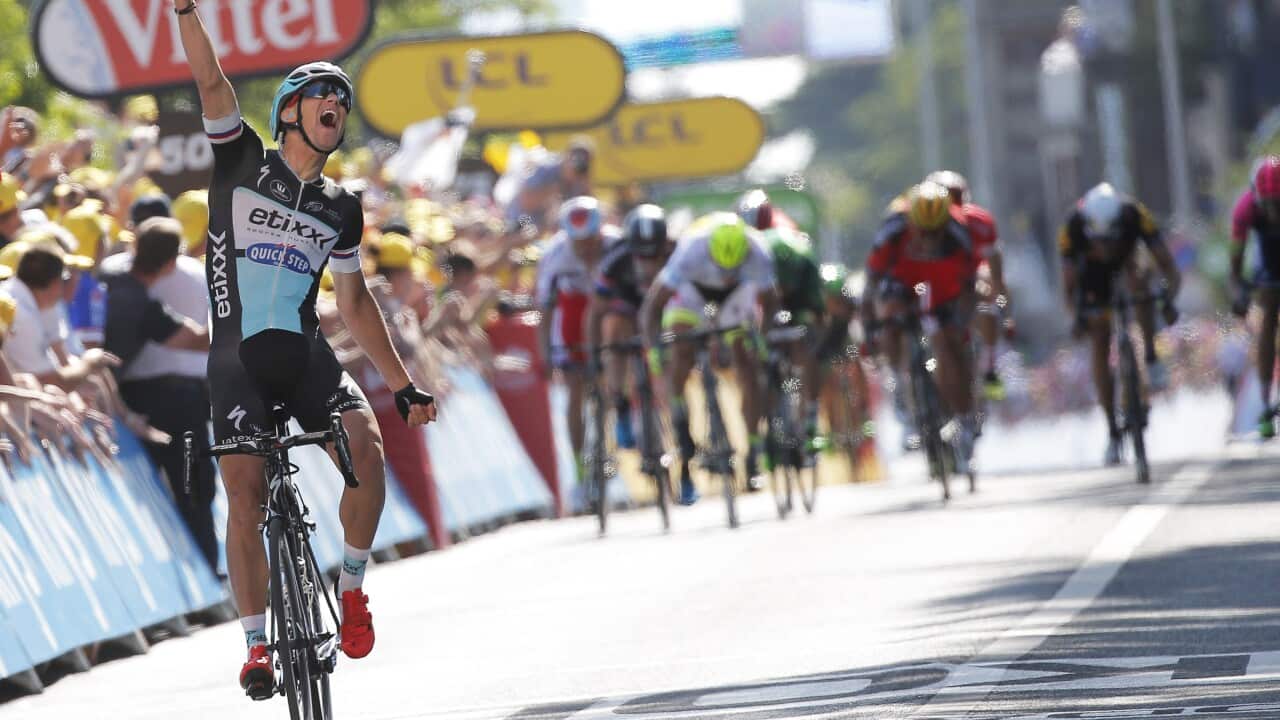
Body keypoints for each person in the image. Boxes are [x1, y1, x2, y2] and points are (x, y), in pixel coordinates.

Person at [172, 0, 437, 700]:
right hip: (237, 361)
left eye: (342, 100)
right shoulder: (239, 163)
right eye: (322, 94)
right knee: (246, 495)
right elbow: (211, 85)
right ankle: (257, 645)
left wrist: (403, 382)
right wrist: (184, 11)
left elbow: (354, 302)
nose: (336, 105)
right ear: (290, 111)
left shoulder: (341, 206)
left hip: (306, 355)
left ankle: (351, 589)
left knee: (367, 449)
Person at [100, 217, 216, 566]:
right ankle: (207, 572)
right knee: (194, 487)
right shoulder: (140, 301)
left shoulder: (107, 279)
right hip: (166, 404)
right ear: (170, 263)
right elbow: (198, 341)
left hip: (130, 399)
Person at [641, 212, 779, 501]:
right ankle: (680, 422)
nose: (726, 273)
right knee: (681, 349)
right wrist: (655, 350)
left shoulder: (757, 251)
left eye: (734, 268)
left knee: (746, 361)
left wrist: (762, 341)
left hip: (735, 297)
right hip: (692, 294)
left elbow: (770, 301)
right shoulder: (691, 250)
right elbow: (652, 308)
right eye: (722, 267)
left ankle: (753, 451)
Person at [1058, 182, 1181, 464]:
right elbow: (1068, 287)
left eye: (1109, 239)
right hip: (1092, 276)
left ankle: (1149, 354)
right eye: (1098, 241)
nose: (1104, 247)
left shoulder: (1135, 214)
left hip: (1129, 261)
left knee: (1140, 283)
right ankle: (1112, 429)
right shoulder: (1072, 227)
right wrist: (1076, 317)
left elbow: (1168, 267)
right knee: (1099, 340)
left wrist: (1167, 300)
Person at [863, 182, 980, 470]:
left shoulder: (959, 232)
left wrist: (962, 324)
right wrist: (872, 325)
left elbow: (970, 286)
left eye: (935, 233)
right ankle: (902, 391)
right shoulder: (892, 230)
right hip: (902, 282)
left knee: (950, 344)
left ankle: (963, 416)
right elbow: (872, 284)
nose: (928, 240)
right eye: (922, 233)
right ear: (910, 222)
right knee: (890, 322)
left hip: (943, 288)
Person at [587, 203, 672, 452]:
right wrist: (595, 353)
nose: (648, 263)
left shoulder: (677, 253)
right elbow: (595, 311)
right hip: (627, 310)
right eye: (641, 255)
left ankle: (674, 419)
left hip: (662, 312)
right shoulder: (616, 259)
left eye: (654, 255)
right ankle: (620, 403)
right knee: (612, 325)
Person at [926, 170, 1013, 400]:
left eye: (958, 198)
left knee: (986, 296)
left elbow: (995, 267)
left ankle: (990, 366)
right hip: (936, 283)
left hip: (971, 277)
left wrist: (1000, 300)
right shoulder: (924, 221)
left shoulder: (979, 221)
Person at [1230, 155, 1280, 437]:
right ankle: (1264, 398)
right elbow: (1235, 265)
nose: (1274, 212)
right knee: (1268, 317)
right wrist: (1239, 292)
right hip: (1267, 264)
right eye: (1268, 205)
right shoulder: (1245, 209)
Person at [762, 226, 825, 448]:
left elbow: (818, 312)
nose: (781, 289)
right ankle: (769, 422)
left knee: (806, 343)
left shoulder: (804, 262)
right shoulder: (758, 261)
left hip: (801, 301)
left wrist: (815, 340)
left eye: (784, 285)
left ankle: (810, 413)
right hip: (766, 297)